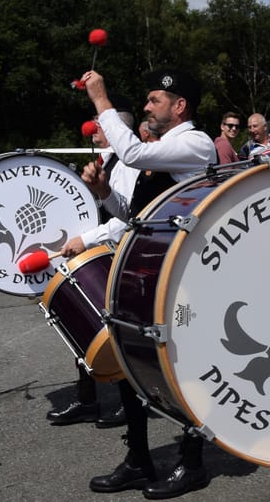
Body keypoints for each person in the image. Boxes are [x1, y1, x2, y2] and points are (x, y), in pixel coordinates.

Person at [80, 67, 216, 498]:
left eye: (154, 99)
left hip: (183, 276)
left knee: (185, 368)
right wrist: (104, 193)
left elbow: (134, 154)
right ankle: (138, 459)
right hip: (148, 272)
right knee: (131, 363)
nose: (146, 106)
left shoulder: (196, 143)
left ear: (180, 107)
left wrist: (100, 100)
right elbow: (134, 216)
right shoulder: (164, 150)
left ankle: (192, 462)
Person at [47, 106, 140, 430]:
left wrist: (87, 238)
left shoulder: (127, 163)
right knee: (82, 326)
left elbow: (127, 217)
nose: (93, 128)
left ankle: (131, 403)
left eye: (100, 125)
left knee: (117, 329)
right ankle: (87, 399)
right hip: (99, 251)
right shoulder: (106, 161)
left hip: (116, 254)